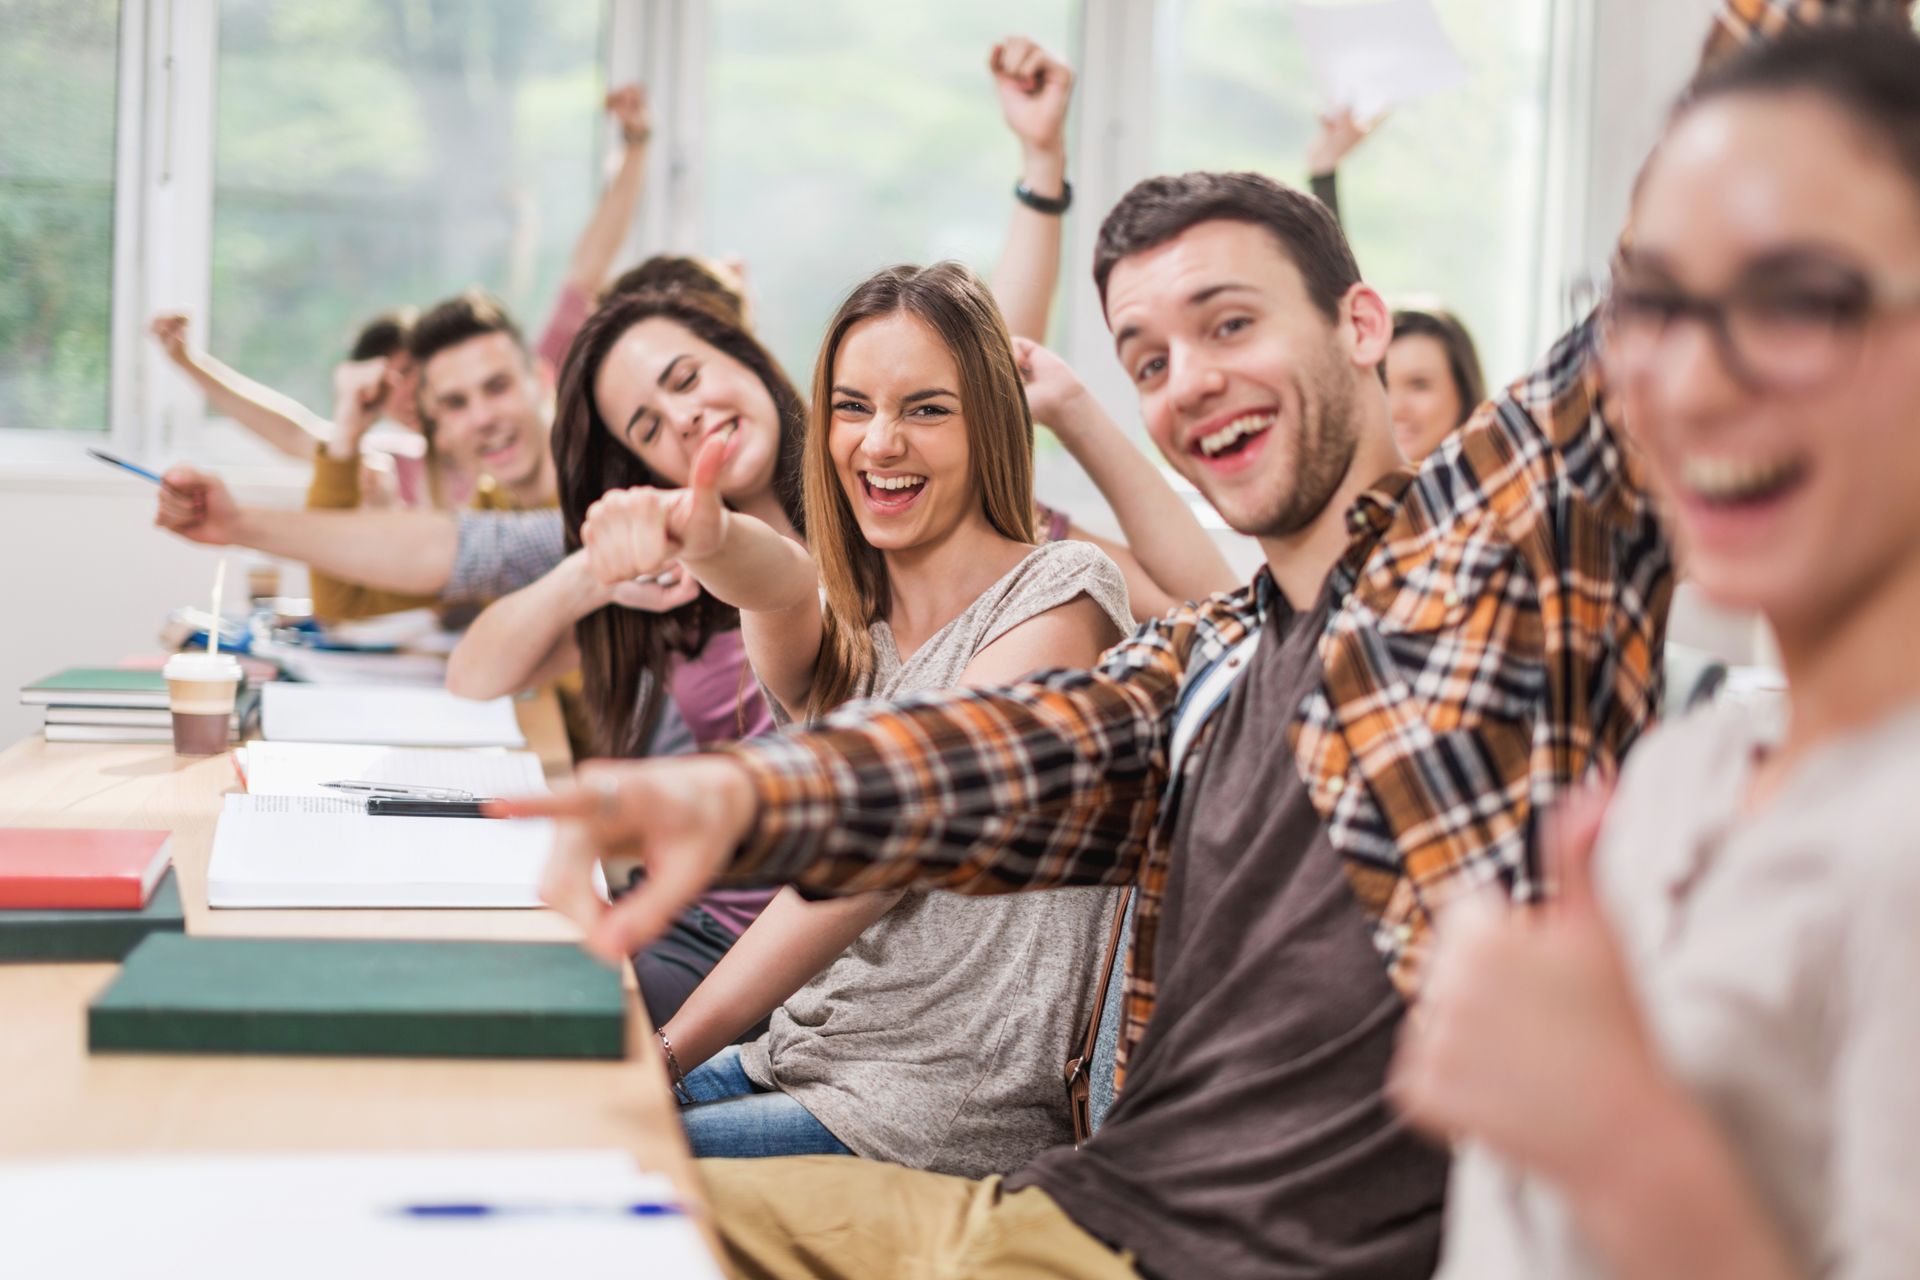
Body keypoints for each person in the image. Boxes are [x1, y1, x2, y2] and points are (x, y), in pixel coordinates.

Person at [1391, 23, 1920, 1279]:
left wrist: (1619, 1138)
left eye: (1796, 300)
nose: (1685, 384)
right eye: (1656, 305)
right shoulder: (1690, 766)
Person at [570, 261, 1132, 1174]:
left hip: (932, 1110)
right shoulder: (858, 635)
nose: (880, 443)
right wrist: (705, 537)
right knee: (519, 1119)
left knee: (588, 1161)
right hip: (800, 1062)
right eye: (852, 406)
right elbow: (779, 581)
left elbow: (884, 846)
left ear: (988, 418)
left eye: (925, 409)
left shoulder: (1061, 601)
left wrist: (667, 1051)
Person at [1305, 108, 1488, 462]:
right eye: (1385, 384)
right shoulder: (1361, 500)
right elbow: (1340, 305)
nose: (1396, 407)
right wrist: (1322, 170)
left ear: (1464, 396)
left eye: (1420, 385)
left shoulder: (1493, 499)